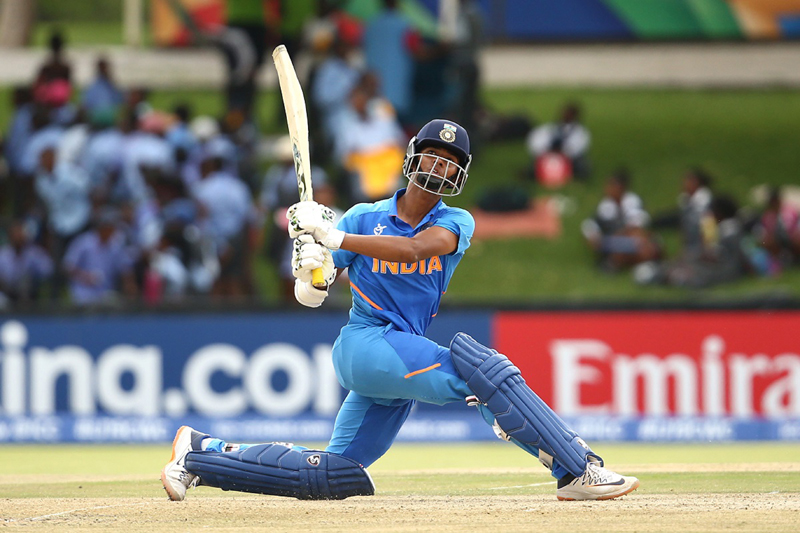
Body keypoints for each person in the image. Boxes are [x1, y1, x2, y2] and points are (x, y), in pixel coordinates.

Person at [160, 119, 639, 502]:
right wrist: (309, 262)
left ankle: (200, 453)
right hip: (365, 344)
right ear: (412, 156)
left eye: (451, 162)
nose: (440, 165)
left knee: (336, 474)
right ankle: (577, 468)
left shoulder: (455, 221)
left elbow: (413, 250)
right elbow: (312, 295)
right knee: (484, 371)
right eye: (432, 153)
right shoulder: (361, 217)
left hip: (396, 354)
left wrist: (334, 238)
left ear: (460, 175)